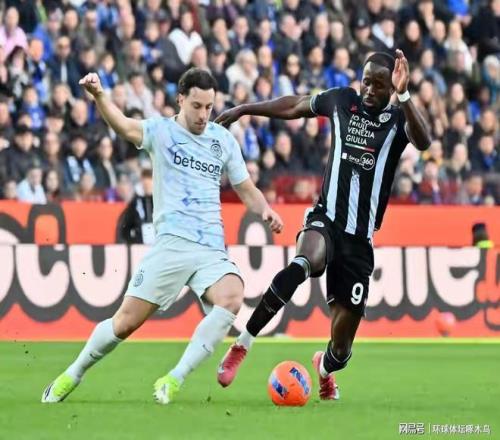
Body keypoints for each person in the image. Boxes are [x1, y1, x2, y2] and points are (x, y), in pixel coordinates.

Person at [41, 68, 283, 404]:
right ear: (180, 99)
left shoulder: (223, 141)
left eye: (209, 107)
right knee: (124, 324)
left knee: (231, 296)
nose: (203, 115)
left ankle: (173, 379)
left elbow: (246, 188)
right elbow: (123, 125)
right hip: (172, 245)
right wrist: (100, 96)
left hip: (211, 247)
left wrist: (265, 209)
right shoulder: (161, 131)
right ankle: (73, 373)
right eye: (196, 106)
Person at [215, 50, 431, 399]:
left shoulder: (396, 120)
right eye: (366, 81)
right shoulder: (341, 101)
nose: (369, 90)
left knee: (341, 349)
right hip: (325, 219)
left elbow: (424, 141)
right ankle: (242, 344)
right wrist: (244, 109)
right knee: (303, 262)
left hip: (359, 241)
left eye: (379, 84)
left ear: (392, 87)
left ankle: (325, 369)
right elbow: (295, 105)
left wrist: (405, 96)